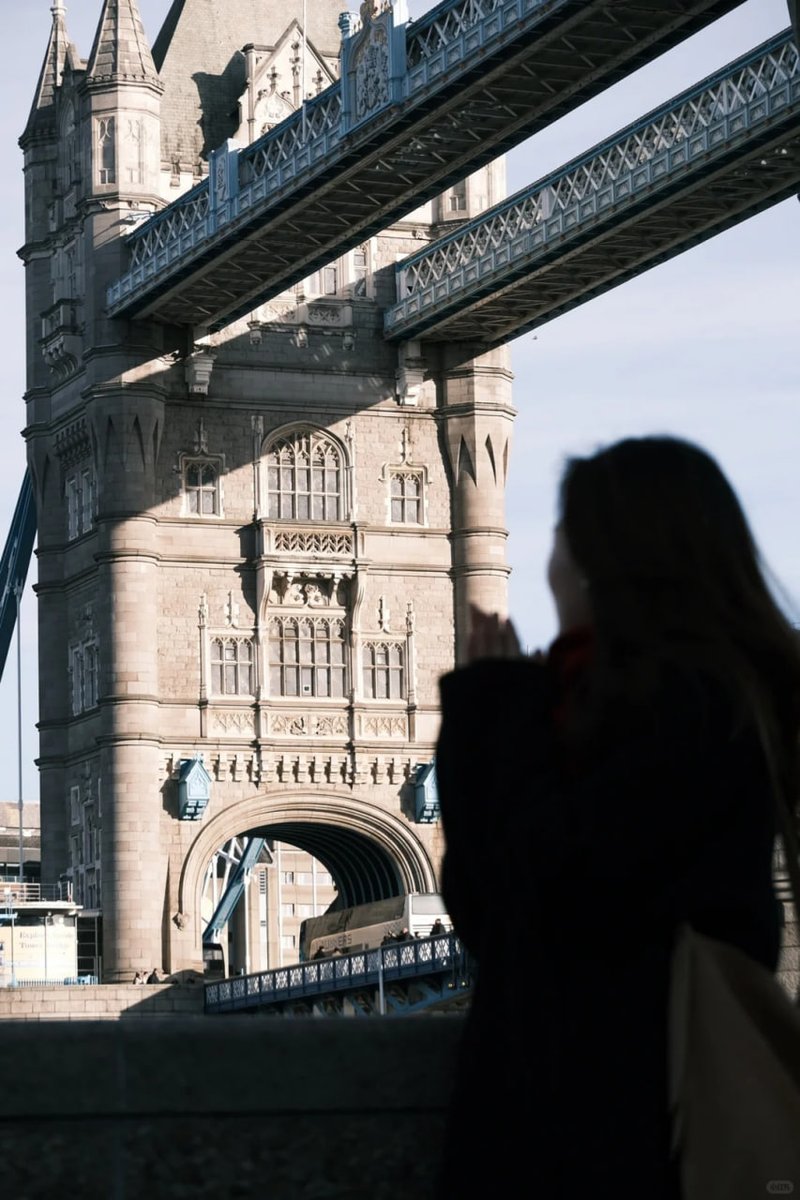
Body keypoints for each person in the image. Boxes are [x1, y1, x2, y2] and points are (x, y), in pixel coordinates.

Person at [434, 436, 800, 1200]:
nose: (549, 561)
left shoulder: (692, 712)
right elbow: (497, 907)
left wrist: (493, 711)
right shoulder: (717, 696)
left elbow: (538, 896)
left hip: (627, 1127)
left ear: (601, 561)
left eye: (561, 535)